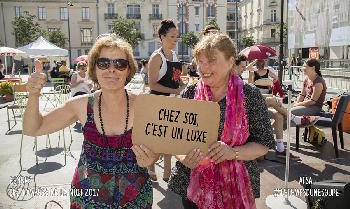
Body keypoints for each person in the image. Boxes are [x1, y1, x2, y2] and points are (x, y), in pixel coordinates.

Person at [23, 34, 157, 208]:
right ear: (94, 68)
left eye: (120, 64)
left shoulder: (145, 105)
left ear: (129, 69)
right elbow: (33, 128)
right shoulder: (81, 105)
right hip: (88, 198)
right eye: (103, 63)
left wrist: (151, 159)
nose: (112, 69)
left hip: (134, 198)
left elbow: (156, 150)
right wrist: (33, 95)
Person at [168, 33, 275, 209]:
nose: (204, 67)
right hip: (193, 188)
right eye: (201, 61)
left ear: (231, 61)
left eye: (211, 60)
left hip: (236, 188)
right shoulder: (190, 94)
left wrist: (232, 153)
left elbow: (263, 144)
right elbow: (175, 139)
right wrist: (183, 157)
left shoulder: (250, 95)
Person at [148, 19, 186, 182]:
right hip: (157, 103)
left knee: (170, 139)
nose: (175, 40)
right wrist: (175, 90)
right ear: (162, 37)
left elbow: (176, 79)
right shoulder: (156, 57)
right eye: (172, 36)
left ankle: (167, 172)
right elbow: (152, 84)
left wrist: (184, 85)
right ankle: (150, 167)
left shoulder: (175, 55)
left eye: (177, 36)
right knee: (157, 142)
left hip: (172, 102)